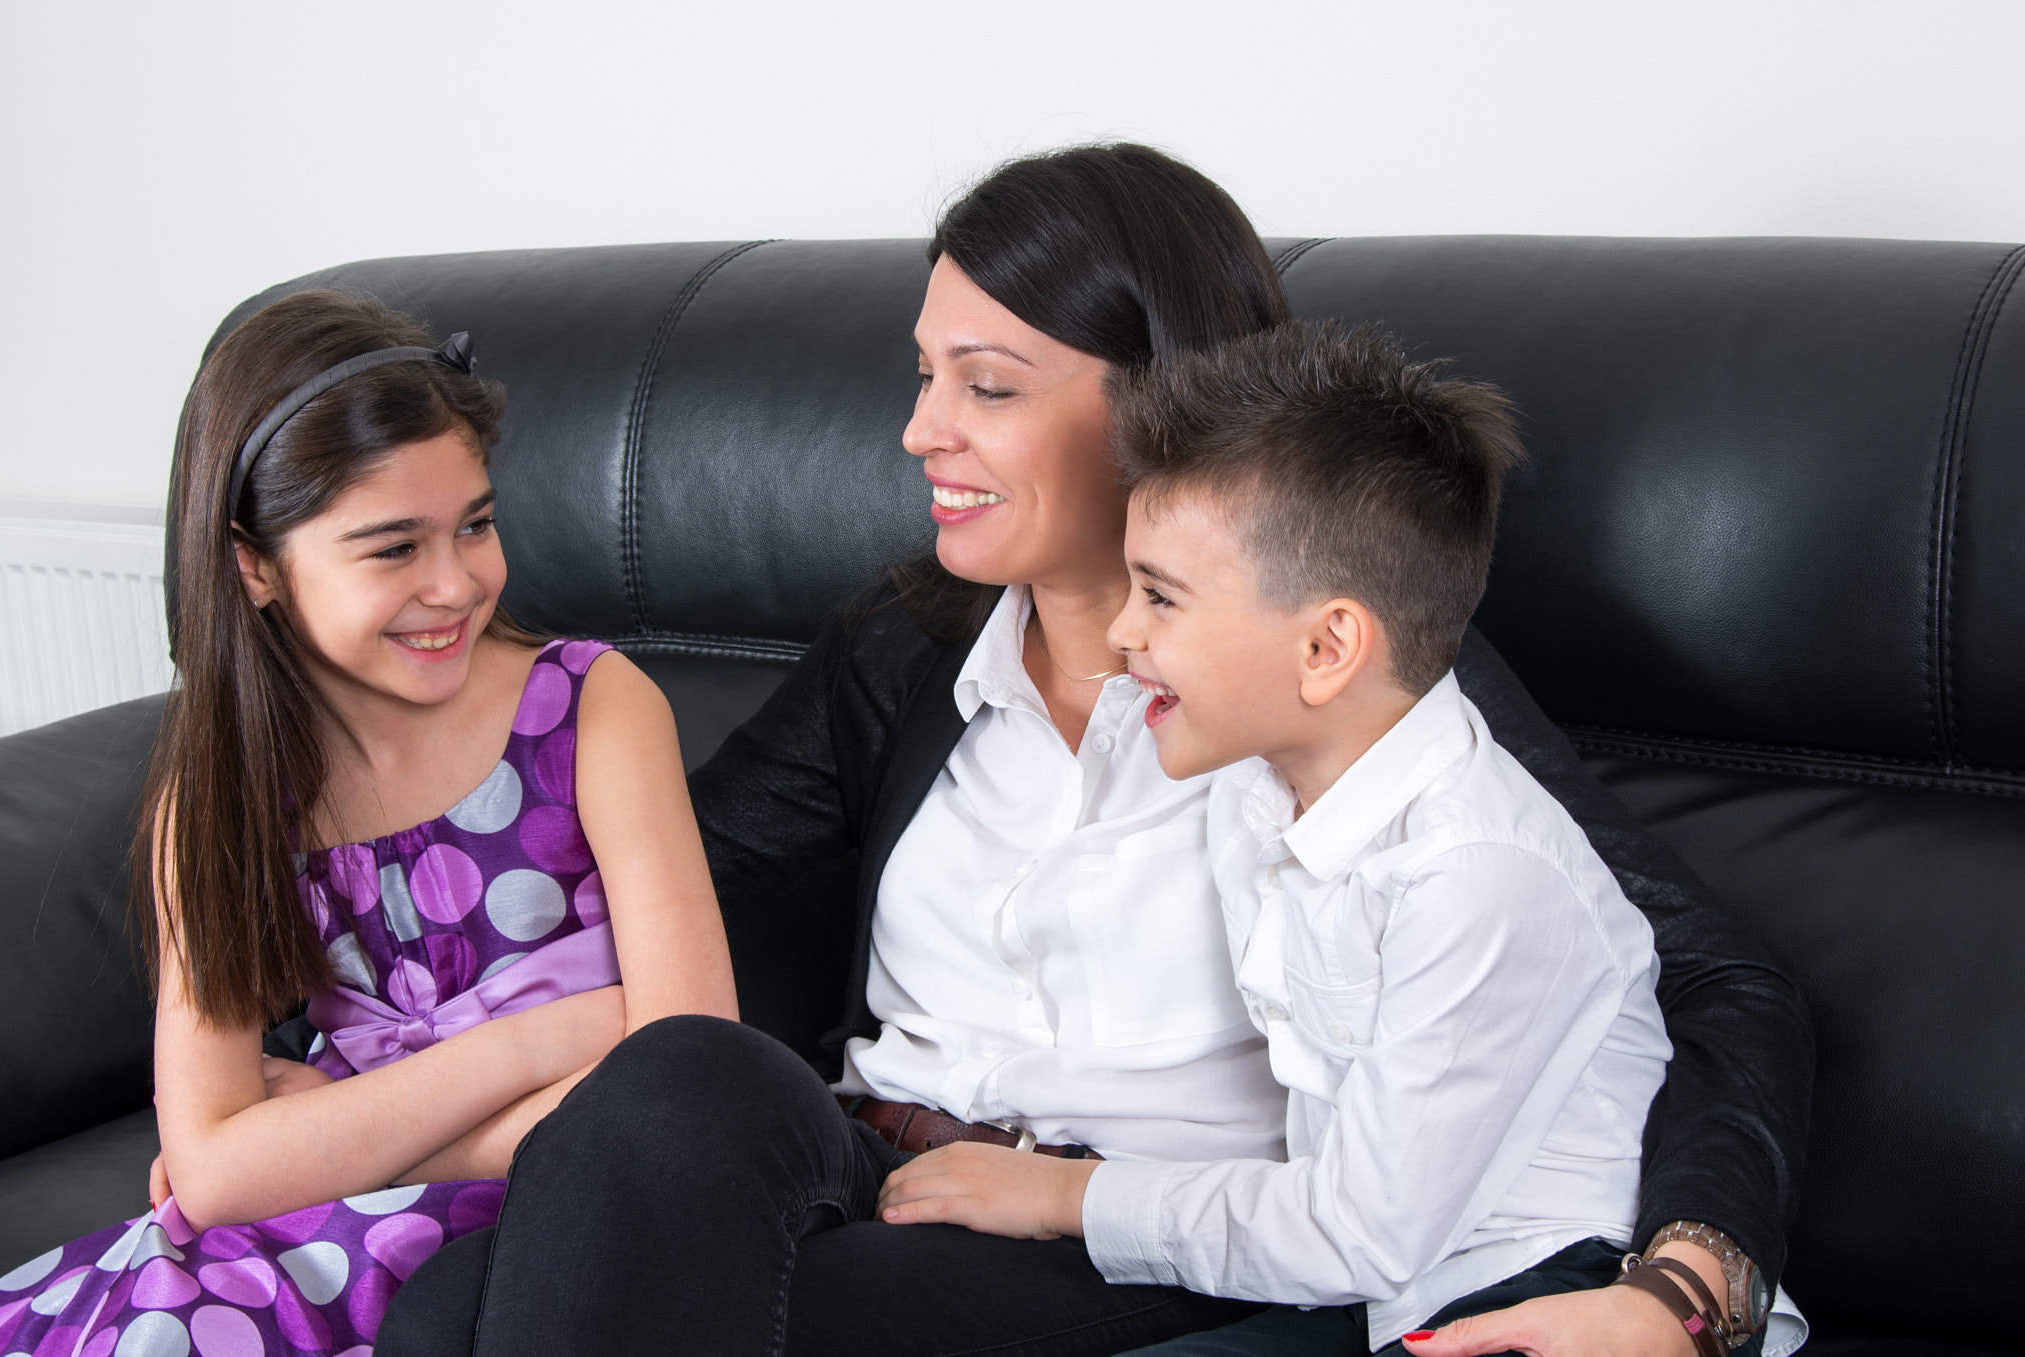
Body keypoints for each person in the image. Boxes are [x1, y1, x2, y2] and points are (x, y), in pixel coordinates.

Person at [378, 143, 1812, 1357]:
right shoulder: (906, 649)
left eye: (985, 386)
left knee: (508, 1312)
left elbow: (1701, 977)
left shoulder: (1333, 675)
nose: (916, 430)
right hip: (874, 1154)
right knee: (577, 1178)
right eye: (924, 374)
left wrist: (1685, 1286)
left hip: (1142, 1227)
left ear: (1157, 404)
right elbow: (665, 882)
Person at [874, 316, 1699, 1356]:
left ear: (1325, 647)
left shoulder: (1474, 873)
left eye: (1161, 598)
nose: (1123, 633)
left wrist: (1066, 1195)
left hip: (1525, 1293)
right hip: (1373, 1293)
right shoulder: (1258, 789)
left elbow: (1356, 1230)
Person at [0, 291, 735, 1357]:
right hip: (297, 1248)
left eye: (475, 522)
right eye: (391, 549)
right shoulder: (222, 794)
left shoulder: (593, 710)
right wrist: (558, 1031)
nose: (455, 581)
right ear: (254, 566)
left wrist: (339, 1133)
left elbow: (690, 1076)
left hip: (555, 1228)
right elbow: (212, 1172)